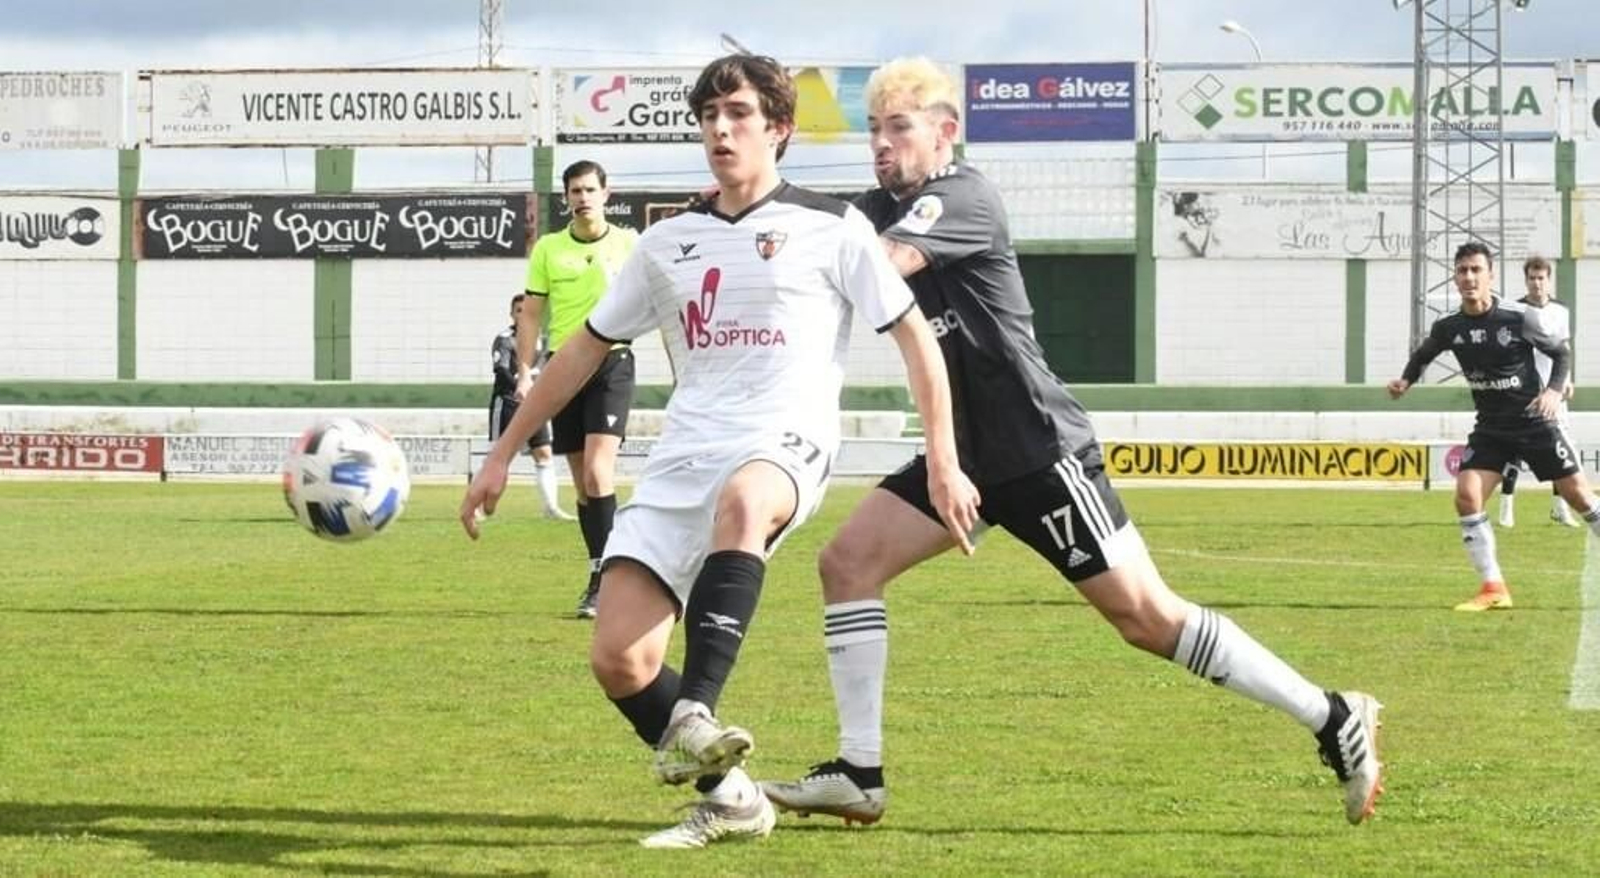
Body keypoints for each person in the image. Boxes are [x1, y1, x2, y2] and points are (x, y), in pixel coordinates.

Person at [758, 56, 1384, 829]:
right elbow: (824, 235)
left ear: (945, 131)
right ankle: (860, 771)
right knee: (847, 563)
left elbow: (879, 267)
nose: (881, 145)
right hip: (967, 457)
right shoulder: (875, 208)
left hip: (1038, 451)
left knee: (1148, 620)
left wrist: (800, 246)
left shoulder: (962, 198)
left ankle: (1331, 715)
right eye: (875, 131)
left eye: (899, 128)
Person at [459, 53, 979, 849]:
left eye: (738, 115)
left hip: (784, 442)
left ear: (779, 128)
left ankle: (698, 709)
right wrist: (503, 450)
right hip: (682, 459)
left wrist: (941, 455)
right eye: (709, 118)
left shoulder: (831, 227)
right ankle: (733, 798)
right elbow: (583, 349)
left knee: (747, 499)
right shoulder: (669, 243)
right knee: (619, 660)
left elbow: (914, 336)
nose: (721, 131)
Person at [1389, 242, 1600, 611]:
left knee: (1580, 497)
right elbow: (1423, 355)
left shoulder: (1518, 317)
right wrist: (1405, 381)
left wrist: (1553, 391)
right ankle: (1493, 588)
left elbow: (1561, 353)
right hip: (1491, 428)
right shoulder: (1449, 327)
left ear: (1490, 276)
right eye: (1462, 271)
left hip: (1535, 422)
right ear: (1455, 277)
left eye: (1476, 270)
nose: (1469, 277)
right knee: (1466, 496)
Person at [521, 160, 639, 618]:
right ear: (566, 197)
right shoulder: (549, 248)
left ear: (606, 194)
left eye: (590, 189)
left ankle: (612, 579)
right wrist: (527, 369)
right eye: (574, 190)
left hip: (612, 361)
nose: (583, 197)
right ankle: (598, 572)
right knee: (584, 486)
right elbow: (531, 313)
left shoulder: (629, 243)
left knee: (597, 472)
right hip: (562, 369)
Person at [1495, 255, 1580, 529]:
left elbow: (1564, 349)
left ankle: (1559, 508)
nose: (1536, 283)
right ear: (1526, 280)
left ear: (1548, 279)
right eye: (1532, 278)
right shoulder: (1514, 310)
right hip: (1523, 391)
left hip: (1553, 392)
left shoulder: (1561, 310)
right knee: (1515, 451)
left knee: (1559, 450)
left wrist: (1567, 379)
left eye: (1541, 278)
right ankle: (1506, 507)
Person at [490, 294, 574, 521]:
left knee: (544, 453)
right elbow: (500, 370)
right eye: (517, 310)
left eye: (524, 310)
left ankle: (551, 508)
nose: (521, 314)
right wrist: (520, 387)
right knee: (500, 455)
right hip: (508, 402)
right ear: (511, 314)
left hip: (535, 404)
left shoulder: (543, 340)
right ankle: (483, 506)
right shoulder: (504, 339)